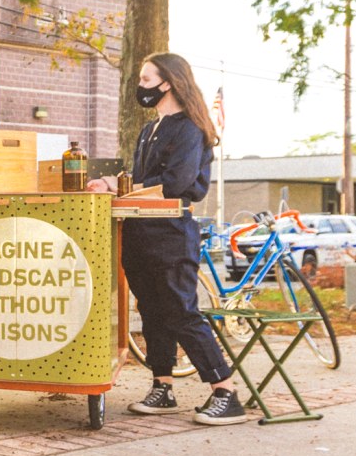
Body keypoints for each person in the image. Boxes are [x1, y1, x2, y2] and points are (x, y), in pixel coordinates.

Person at [88, 53, 246, 424]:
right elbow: (141, 181)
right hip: (141, 229)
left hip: (172, 232)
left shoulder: (189, 128)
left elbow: (174, 184)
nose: (139, 87)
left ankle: (225, 390)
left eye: (145, 80)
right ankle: (163, 385)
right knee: (153, 312)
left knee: (180, 311)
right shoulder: (150, 129)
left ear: (168, 83)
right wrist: (112, 184)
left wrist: (121, 186)